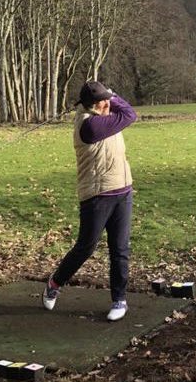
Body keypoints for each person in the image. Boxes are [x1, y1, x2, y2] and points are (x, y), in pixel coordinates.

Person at [43, 80, 137, 321]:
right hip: (97, 194)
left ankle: (119, 299)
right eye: (103, 101)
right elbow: (130, 114)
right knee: (86, 247)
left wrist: (108, 96)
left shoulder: (103, 115)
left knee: (120, 249)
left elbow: (125, 112)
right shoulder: (90, 126)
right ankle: (55, 282)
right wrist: (113, 96)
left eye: (108, 100)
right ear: (92, 105)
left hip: (123, 190)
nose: (108, 103)